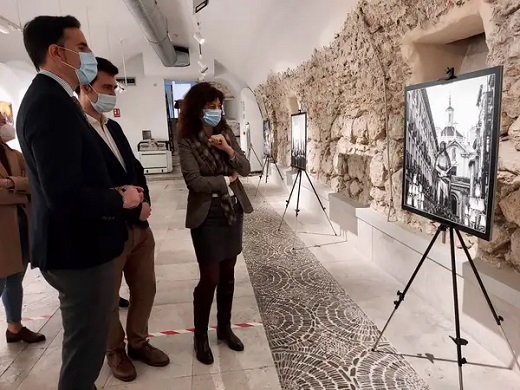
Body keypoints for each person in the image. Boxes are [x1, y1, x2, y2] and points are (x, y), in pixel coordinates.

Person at [17, 16, 143, 390]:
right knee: (84, 352)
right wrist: (118, 198)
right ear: (57, 52)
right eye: (83, 47)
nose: (89, 54)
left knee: (85, 349)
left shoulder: (56, 99)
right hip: (77, 250)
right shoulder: (48, 104)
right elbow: (62, 193)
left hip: (81, 245)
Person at [76, 57, 169, 382]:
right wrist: (127, 205)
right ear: (86, 87)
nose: (113, 92)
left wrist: (145, 203)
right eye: (106, 87)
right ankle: (114, 350)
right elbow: (86, 187)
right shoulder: (75, 129)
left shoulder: (111, 126)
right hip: (107, 229)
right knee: (108, 298)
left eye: (115, 87)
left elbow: (134, 169)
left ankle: (139, 343)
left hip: (138, 227)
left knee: (146, 290)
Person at [178, 82, 253, 365]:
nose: (216, 111)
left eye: (218, 106)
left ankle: (224, 329)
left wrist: (229, 151)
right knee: (209, 278)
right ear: (197, 108)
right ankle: (200, 337)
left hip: (232, 211)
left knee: (228, 274)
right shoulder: (186, 138)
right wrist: (225, 180)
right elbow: (194, 181)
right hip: (207, 215)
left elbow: (244, 168)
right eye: (210, 106)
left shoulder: (226, 133)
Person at [0, 114, 45, 344]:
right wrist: (20, 187)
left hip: (20, 227)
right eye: (1, 122)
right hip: (3, 232)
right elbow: (25, 187)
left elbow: (33, 184)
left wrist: (10, 183)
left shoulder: (13, 154)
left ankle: (14, 327)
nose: (5, 126)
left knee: (15, 278)